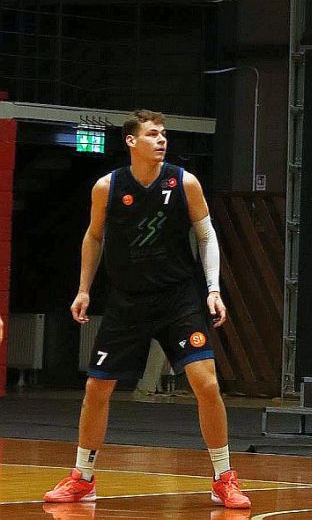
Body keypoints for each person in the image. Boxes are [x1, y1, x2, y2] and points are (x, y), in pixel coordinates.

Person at [43, 110, 250, 510]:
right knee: (96, 388)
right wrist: (83, 289)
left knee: (206, 383)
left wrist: (212, 288)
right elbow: (94, 237)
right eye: (153, 134)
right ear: (131, 142)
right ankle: (83, 477)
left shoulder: (184, 182)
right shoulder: (108, 187)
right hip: (127, 302)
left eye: (164, 134)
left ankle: (223, 477)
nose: (161, 140)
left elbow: (206, 236)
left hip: (178, 299)